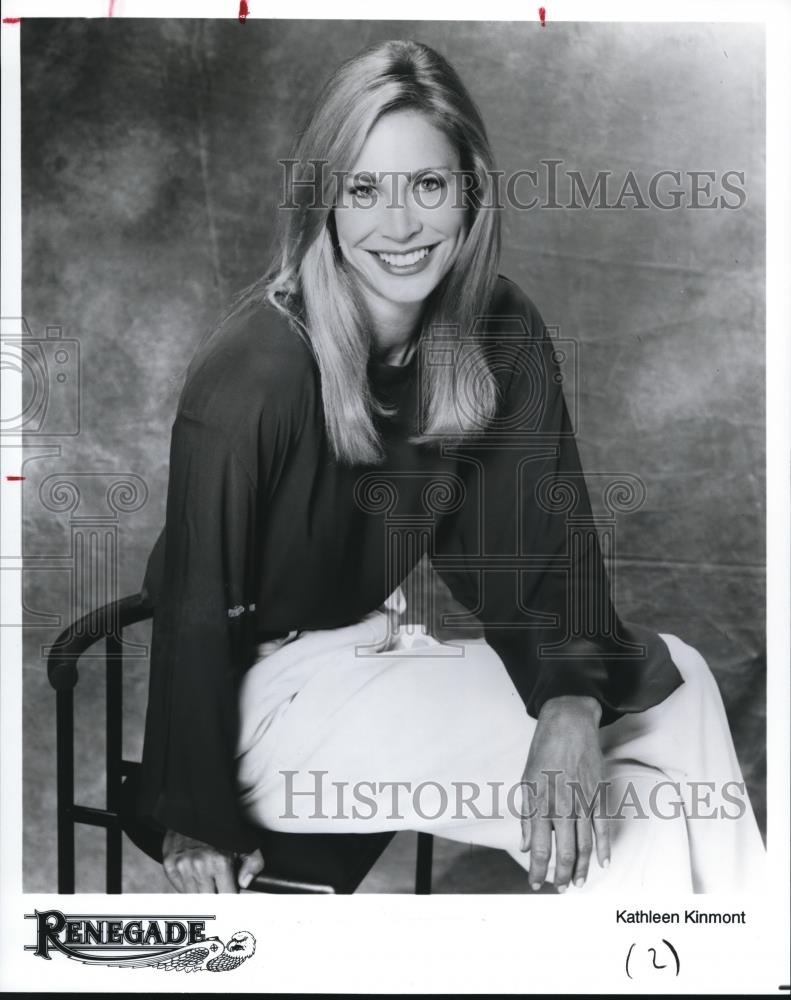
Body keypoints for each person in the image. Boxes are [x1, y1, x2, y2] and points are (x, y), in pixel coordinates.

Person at [138, 39, 765, 894]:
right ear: (324, 202)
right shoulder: (257, 373)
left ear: (469, 192)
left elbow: (543, 536)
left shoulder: (491, 327)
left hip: (372, 653)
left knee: (679, 679)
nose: (398, 227)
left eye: (427, 186)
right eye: (364, 190)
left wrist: (571, 700)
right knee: (635, 800)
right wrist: (195, 819)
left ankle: (724, 964)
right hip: (261, 704)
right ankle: (674, 967)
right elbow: (195, 611)